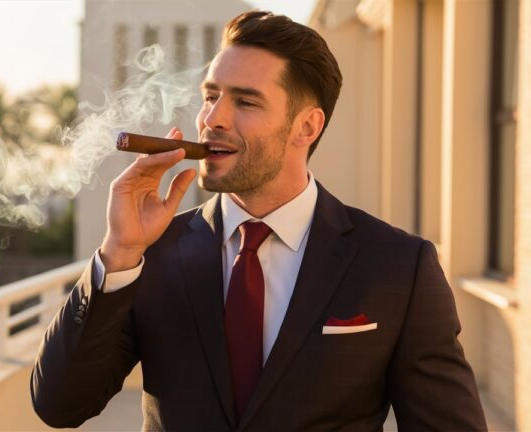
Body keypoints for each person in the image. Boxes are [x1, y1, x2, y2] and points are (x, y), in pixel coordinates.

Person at [31, 10, 487, 431]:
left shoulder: (398, 267)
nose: (213, 119)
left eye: (245, 102)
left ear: (306, 127)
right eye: (210, 96)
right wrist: (119, 252)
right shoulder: (152, 253)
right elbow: (59, 405)